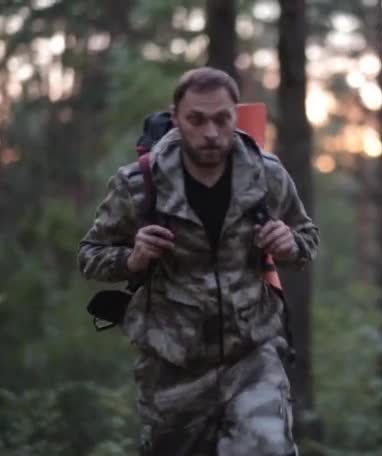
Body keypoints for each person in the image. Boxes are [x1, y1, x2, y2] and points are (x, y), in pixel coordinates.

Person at [78, 67, 319, 455]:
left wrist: (290, 245)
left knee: (268, 447)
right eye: (197, 119)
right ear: (177, 119)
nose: (211, 132)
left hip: (252, 356)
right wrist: (133, 258)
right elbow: (90, 256)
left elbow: (306, 236)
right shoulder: (139, 184)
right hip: (173, 367)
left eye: (222, 118)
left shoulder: (266, 175)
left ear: (235, 116)